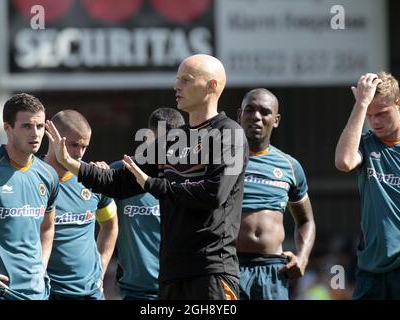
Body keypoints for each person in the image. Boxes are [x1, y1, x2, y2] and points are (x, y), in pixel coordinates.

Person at [46, 54, 249, 300]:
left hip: (211, 271)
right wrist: (71, 164)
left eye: (186, 80)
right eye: (177, 80)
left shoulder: (230, 133)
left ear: (212, 85)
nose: (177, 86)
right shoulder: (172, 140)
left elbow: (213, 193)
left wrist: (152, 184)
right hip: (171, 274)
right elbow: (120, 183)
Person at [0, 93, 58, 300]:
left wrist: (40, 268)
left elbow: (47, 227)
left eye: (40, 126)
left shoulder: (49, 175)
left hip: (39, 294)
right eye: (27, 126)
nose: (35, 134)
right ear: (7, 128)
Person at [335, 72, 400, 300]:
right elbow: (344, 162)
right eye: (370, 115)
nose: (375, 121)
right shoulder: (366, 144)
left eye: (381, 113)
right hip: (371, 266)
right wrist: (361, 104)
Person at [236, 88, 316, 300]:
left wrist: (303, 258)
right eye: (250, 110)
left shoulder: (290, 166)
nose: (256, 117)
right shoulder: (219, 163)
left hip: (272, 270)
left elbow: (306, 221)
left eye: (265, 111)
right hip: (229, 267)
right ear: (239, 115)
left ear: (276, 120)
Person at [109, 108, 185, 300]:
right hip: (133, 293)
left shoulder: (191, 180)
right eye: (158, 143)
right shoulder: (121, 173)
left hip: (179, 290)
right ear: (146, 140)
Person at [44, 110, 118, 300]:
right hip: (48, 292)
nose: (79, 153)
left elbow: (110, 225)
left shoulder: (92, 177)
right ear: (52, 137)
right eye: (73, 145)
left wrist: (100, 270)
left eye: (84, 146)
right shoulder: (31, 177)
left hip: (91, 293)